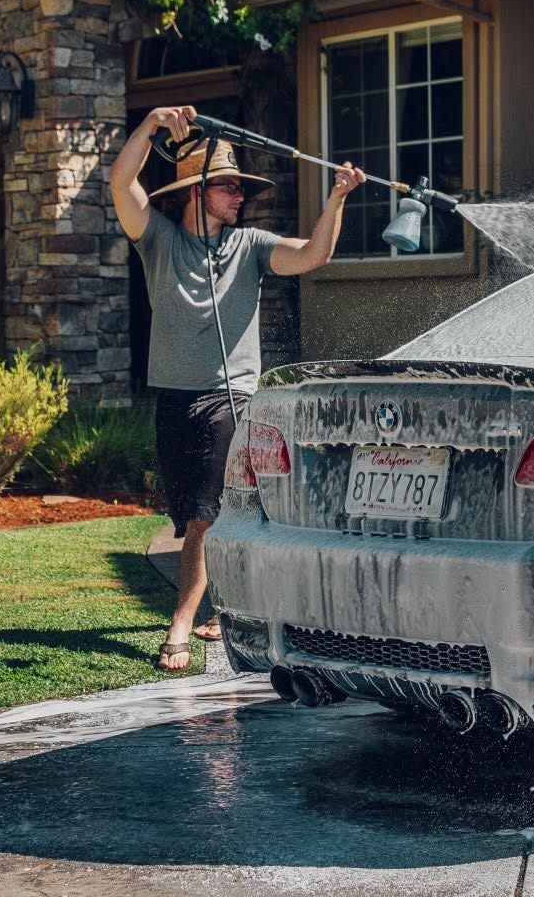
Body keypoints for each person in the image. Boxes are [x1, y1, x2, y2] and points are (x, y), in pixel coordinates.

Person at [109, 105, 365, 670]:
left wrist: (337, 200)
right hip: (174, 399)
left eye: (239, 187)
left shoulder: (249, 245)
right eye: (228, 186)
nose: (240, 195)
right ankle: (224, 606)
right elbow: (120, 183)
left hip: (230, 398)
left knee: (203, 513)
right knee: (198, 513)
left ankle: (179, 625)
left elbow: (313, 254)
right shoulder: (158, 240)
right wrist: (150, 125)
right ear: (197, 191)